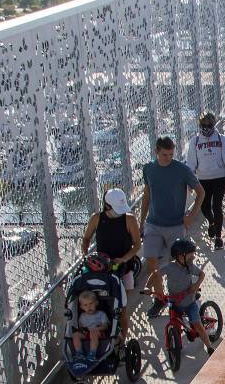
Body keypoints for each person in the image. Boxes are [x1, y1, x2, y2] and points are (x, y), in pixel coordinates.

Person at [140, 136, 204, 317]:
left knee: (180, 262)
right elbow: (146, 196)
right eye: (164, 154)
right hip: (153, 224)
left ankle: (189, 291)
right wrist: (141, 221)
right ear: (156, 152)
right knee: (152, 263)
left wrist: (191, 215)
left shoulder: (182, 170)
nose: (168, 158)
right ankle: (160, 299)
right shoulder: (148, 169)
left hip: (176, 225)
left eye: (171, 154)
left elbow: (200, 191)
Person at [81, 188, 141, 338]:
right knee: (101, 304)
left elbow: (137, 245)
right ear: (107, 205)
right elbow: (86, 238)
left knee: (122, 308)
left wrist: (124, 259)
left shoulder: (129, 219)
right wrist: (86, 254)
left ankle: (123, 341)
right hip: (101, 270)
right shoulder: (96, 218)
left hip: (124, 268)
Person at [152, 237, 214, 356]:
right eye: (191, 255)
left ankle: (210, 347)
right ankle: (176, 339)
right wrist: (149, 288)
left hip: (189, 303)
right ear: (181, 256)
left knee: (197, 324)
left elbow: (201, 274)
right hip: (175, 302)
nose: (193, 257)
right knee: (175, 321)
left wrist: (195, 286)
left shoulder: (190, 267)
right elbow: (156, 274)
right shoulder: (169, 267)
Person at [184, 111, 225, 250]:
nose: (206, 127)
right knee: (204, 206)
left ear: (214, 124)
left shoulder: (221, 139)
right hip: (202, 179)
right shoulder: (195, 141)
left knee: (217, 206)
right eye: (203, 125)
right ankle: (212, 222)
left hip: (219, 177)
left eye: (209, 125)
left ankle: (218, 237)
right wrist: (190, 181)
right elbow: (191, 162)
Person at [72, 290, 109, 363]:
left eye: (91, 304)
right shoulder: (82, 317)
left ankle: (92, 354)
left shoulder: (101, 314)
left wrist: (97, 328)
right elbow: (80, 328)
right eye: (85, 305)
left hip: (99, 333)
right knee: (75, 335)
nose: (89, 307)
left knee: (93, 332)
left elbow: (106, 326)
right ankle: (79, 353)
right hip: (86, 333)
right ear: (81, 307)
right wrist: (82, 330)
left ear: (96, 303)